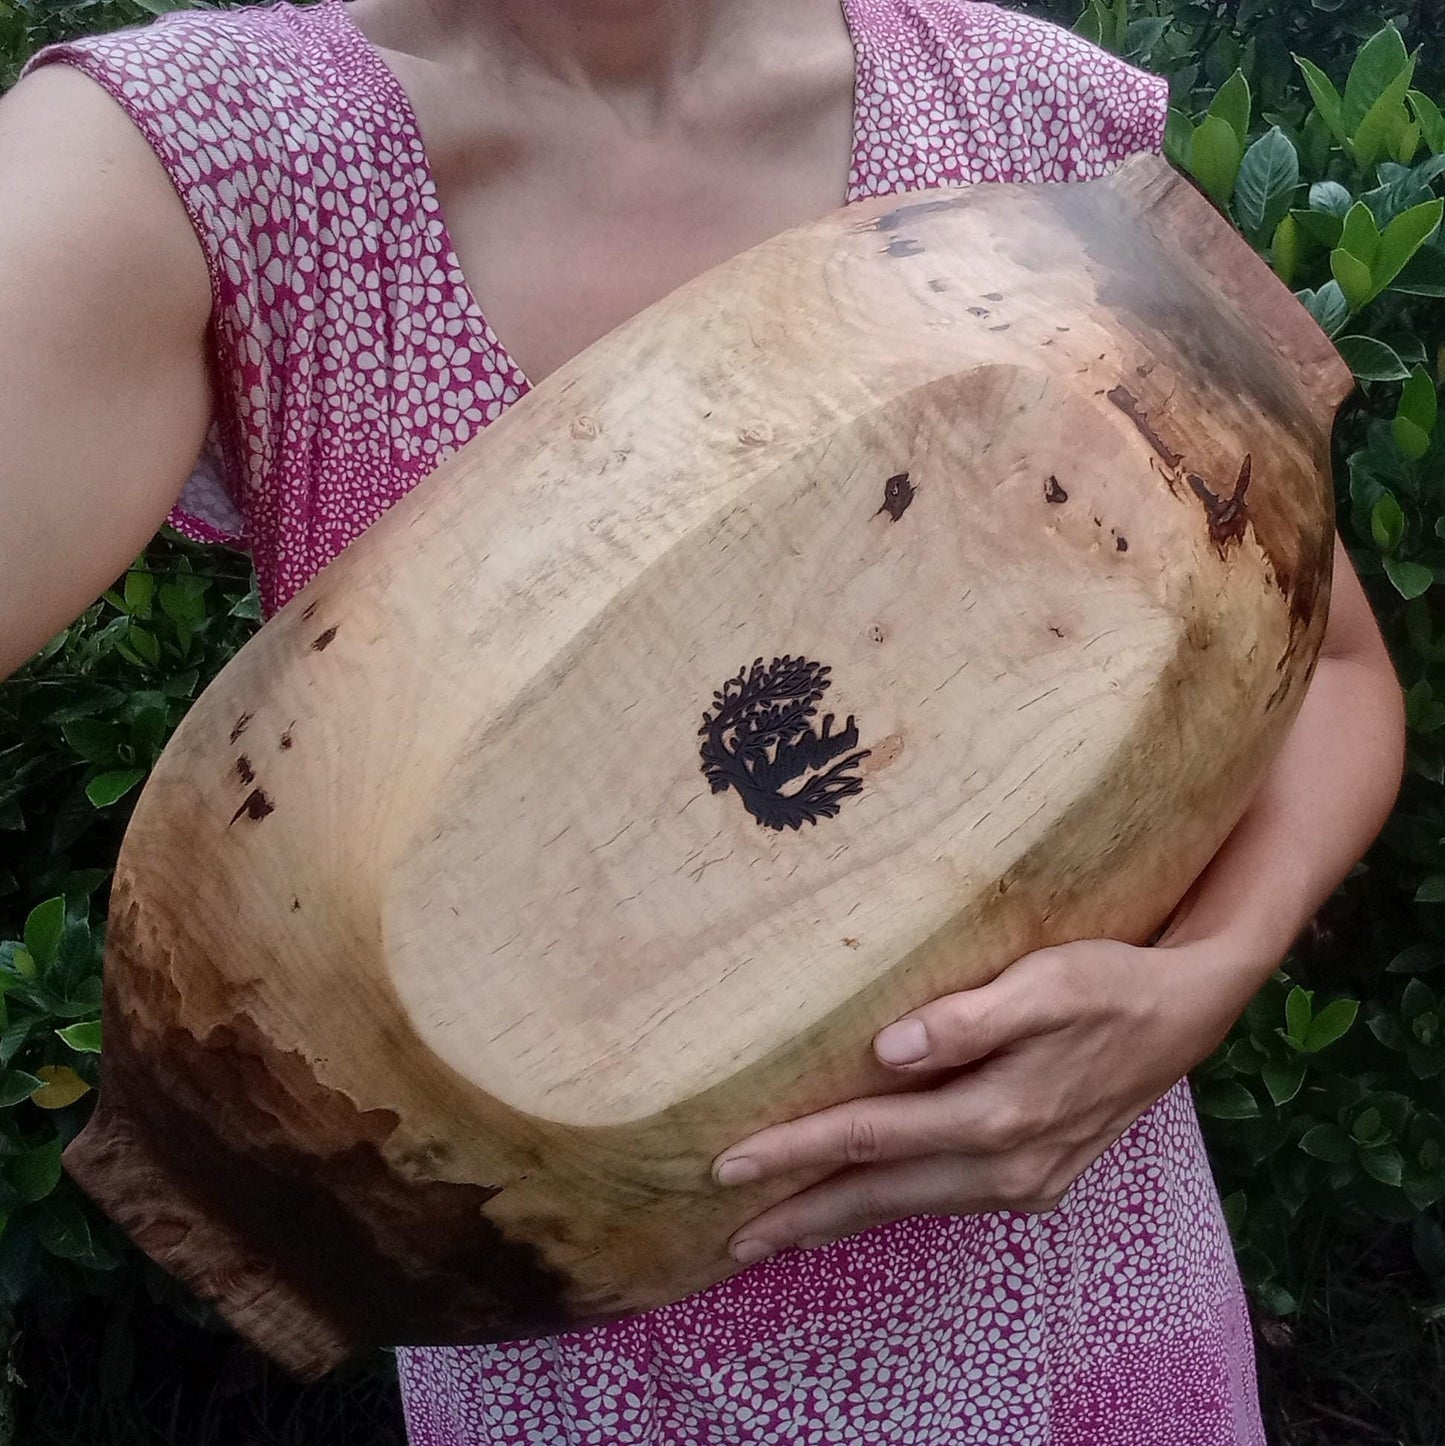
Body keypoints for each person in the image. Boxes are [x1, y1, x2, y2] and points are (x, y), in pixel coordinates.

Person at [0, 0, 1405, 1441]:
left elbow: (1334, 674)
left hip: (1087, 1322)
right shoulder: (198, 159)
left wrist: (1209, 977)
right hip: (588, 1372)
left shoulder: (1014, 104)